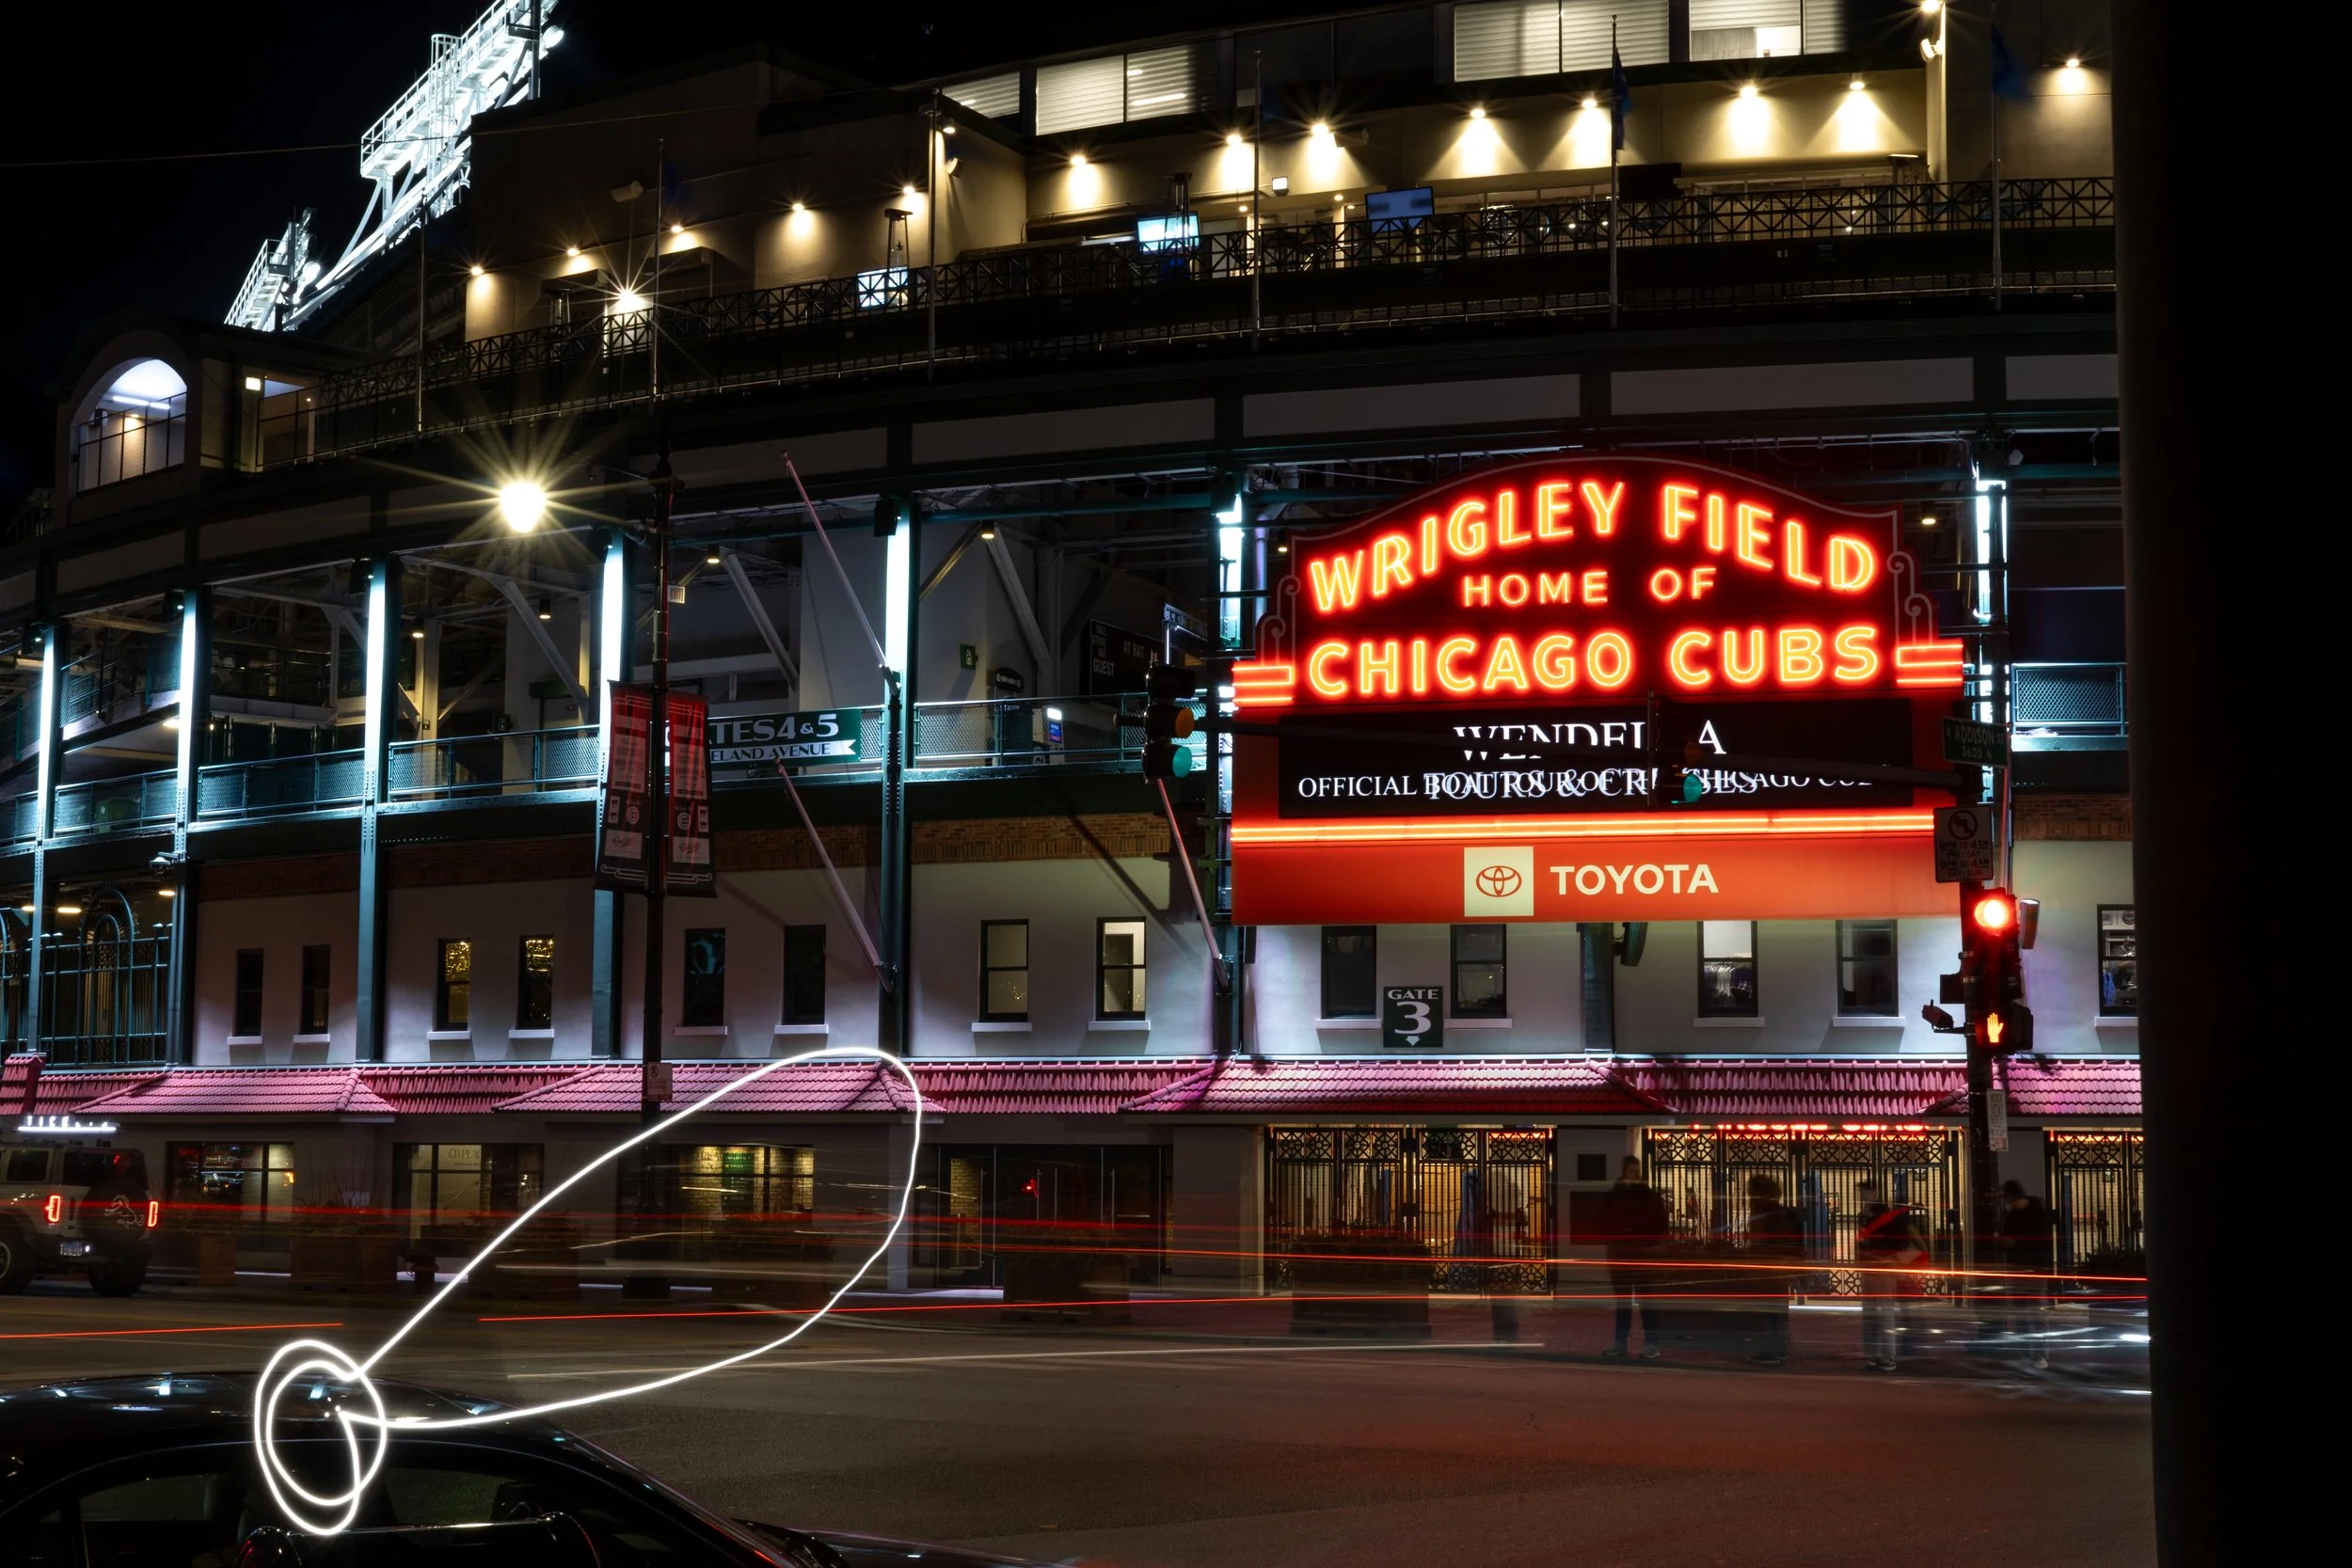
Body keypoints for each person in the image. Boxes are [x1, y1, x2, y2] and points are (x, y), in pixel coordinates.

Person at [1853, 1180, 1927, 1371]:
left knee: (1882, 1313)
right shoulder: (1868, 1215)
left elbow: (1900, 1241)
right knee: (1875, 1313)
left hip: (1880, 1267)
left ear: (1875, 1192)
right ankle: (1877, 1355)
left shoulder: (1883, 1216)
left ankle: (1885, 1355)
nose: (1862, 1195)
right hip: (1873, 1267)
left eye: (1865, 1191)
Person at [1600, 1156, 1669, 1360]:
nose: (1636, 1175)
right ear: (1624, 1171)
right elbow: (1602, 1221)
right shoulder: (1616, 1196)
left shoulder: (1646, 1197)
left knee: (1646, 1301)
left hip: (1639, 1254)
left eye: (1637, 1171)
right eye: (1632, 1171)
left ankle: (1649, 1342)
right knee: (1624, 1301)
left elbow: (1660, 1225)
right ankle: (1623, 1342)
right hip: (1623, 1254)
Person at [1995, 1179, 2057, 1370]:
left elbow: (2041, 1242)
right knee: (2022, 1313)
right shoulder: (2013, 1216)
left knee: (2037, 1313)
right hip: (2017, 1269)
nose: (2007, 1204)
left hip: (2035, 1268)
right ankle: (2027, 1352)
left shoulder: (2038, 1214)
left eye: (2008, 1199)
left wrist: (2014, 1243)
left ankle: (2039, 1354)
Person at [1744, 1173, 1804, 1366]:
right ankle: (1778, 1348)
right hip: (1779, 1268)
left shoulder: (1764, 1213)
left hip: (1768, 1268)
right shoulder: (1780, 1212)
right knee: (1777, 1310)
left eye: (1751, 1191)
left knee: (1768, 1310)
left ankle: (1769, 1351)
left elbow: (1762, 1241)